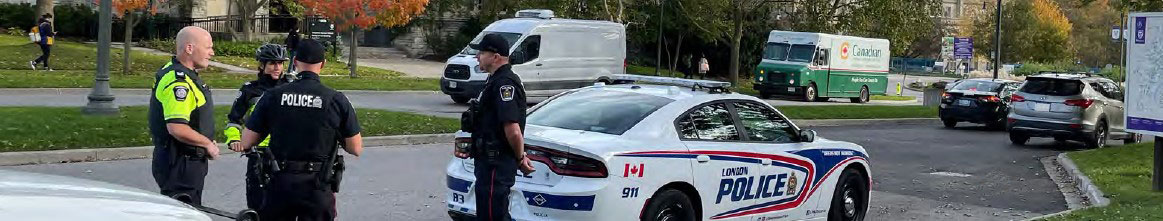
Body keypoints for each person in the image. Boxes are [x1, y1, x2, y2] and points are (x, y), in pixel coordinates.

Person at [235, 39, 363, 221]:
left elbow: (247, 141)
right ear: (323, 64)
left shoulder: (272, 96)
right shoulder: (336, 100)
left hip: (280, 182)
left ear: (294, 62)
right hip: (317, 185)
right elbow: (355, 148)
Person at [453, 33, 536, 221]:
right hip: (488, 162)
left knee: (493, 215)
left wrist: (520, 157)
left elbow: (512, 129)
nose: (477, 57)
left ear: (495, 56)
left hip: (496, 163)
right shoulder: (494, 80)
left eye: (481, 53)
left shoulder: (505, 84)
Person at [148, 26, 218, 205]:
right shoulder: (178, 82)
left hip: (183, 161)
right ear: (189, 48)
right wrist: (206, 143)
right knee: (183, 213)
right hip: (181, 163)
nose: (212, 52)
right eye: (208, 47)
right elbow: (177, 127)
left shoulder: (179, 72)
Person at [224, 44, 290, 210]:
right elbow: (234, 120)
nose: (277, 67)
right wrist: (234, 139)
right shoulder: (250, 90)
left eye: (280, 63)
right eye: (272, 63)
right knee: (257, 203)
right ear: (262, 65)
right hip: (258, 154)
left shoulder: (291, 87)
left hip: (287, 153)